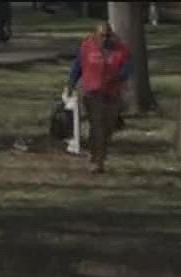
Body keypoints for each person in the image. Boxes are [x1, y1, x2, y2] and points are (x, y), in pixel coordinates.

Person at [65, 18, 132, 174]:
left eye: (108, 35)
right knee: (97, 126)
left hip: (112, 95)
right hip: (92, 94)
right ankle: (97, 161)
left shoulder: (121, 50)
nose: (105, 39)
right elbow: (77, 66)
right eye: (102, 35)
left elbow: (127, 69)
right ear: (95, 35)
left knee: (107, 129)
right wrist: (70, 84)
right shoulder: (87, 47)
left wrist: (118, 77)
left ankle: (98, 155)